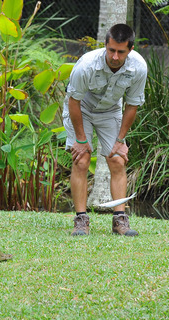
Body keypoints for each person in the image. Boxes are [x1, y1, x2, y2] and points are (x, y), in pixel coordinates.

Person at [63, 23, 148, 236]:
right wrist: (81, 140)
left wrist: (121, 139)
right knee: (81, 160)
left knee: (118, 159)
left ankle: (120, 220)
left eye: (121, 52)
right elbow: (73, 102)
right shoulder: (86, 65)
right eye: (111, 50)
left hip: (110, 111)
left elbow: (132, 105)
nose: (115, 57)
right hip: (81, 108)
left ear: (131, 50)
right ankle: (81, 220)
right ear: (105, 46)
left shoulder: (138, 67)